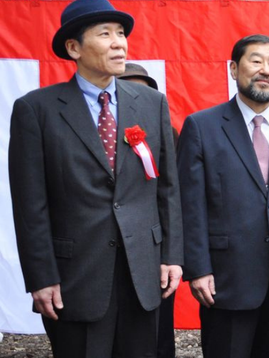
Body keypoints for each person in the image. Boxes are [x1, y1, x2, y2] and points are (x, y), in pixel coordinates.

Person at [9, 0, 183, 356]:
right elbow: (30, 203)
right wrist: (41, 277)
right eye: (105, 34)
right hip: (76, 276)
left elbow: (167, 189)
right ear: (74, 48)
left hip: (143, 271)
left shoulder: (152, 103)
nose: (119, 43)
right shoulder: (36, 110)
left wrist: (172, 256)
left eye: (121, 34)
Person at [177, 34, 269, 358]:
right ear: (233, 68)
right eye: (256, 61)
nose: (266, 70)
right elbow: (191, 204)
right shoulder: (203, 126)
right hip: (226, 278)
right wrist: (198, 269)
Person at [116, 62, 177, 358]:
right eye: (128, 86)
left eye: (142, 89)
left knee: (157, 330)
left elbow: (172, 193)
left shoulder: (166, 133)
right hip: (108, 246)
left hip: (153, 244)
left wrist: (172, 253)